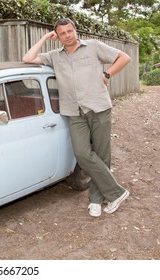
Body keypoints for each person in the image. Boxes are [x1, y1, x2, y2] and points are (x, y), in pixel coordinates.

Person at [23, 18, 131, 217]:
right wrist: (46, 37)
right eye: (62, 33)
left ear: (75, 30)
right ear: (58, 37)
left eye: (70, 31)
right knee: (82, 153)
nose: (67, 35)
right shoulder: (55, 56)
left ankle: (96, 200)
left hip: (98, 108)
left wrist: (107, 74)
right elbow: (28, 58)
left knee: (101, 155)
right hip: (74, 112)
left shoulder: (94, 47)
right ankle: (117, 192)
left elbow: (124, 57)